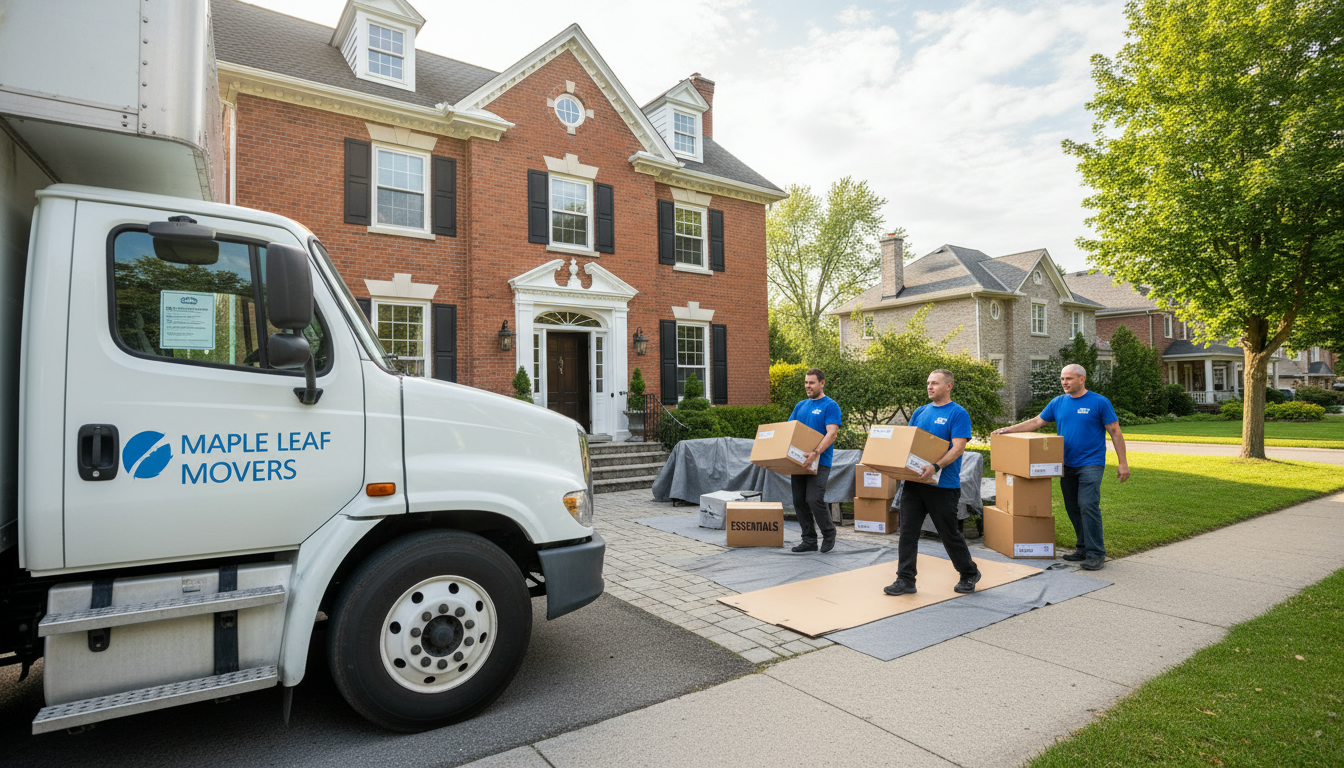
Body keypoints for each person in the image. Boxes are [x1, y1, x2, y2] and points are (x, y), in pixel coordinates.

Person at [992, 363, 1129, 570]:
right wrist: (1009, 429)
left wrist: (1123, 463)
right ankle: (1082, 547)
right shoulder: (1058, 402)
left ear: (1082, 379)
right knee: (1072, 507)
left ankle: (1096, 553)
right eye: (1063, 379)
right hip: (1065, 464)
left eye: (1069, 379)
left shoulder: (1099, 402)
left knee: (1088, 504)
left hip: (1091, 462)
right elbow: (1037, 422)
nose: (1064, 382)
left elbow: (1115, 432)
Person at [884, 370, 983, 596]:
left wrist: (935, 467)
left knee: (949, 534)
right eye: (928, 383)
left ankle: (969, 573)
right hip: (914, 483)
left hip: (943, 486)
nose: (929, 387)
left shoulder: (958, 413)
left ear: (948, 386)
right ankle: (906, 579)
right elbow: (908, 443)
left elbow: (958, 448)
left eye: (935, 383)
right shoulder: (920, 412)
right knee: (907, 532)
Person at [788, 368, 841, 553]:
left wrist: (815, 453)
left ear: (822, 383)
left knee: (814, 499)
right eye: (806, 382)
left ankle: (829, 533)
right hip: (800, 461)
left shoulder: (830, 405)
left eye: (811, 382)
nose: (807, 386)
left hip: (820, 461)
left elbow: (832, 433)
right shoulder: (800, 406)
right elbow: (789, 431)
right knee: (799, 501)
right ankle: (809, 540)